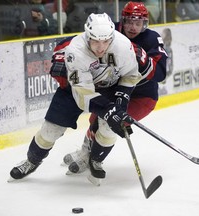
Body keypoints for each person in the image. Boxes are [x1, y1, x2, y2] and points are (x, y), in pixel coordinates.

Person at [9, 13, 142, 183]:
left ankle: (95, 160)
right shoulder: (75, 51)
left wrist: (120, 103)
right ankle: (31, 161)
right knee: (50, 131)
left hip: (109, 88)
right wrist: (108, 110)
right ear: (87, 36)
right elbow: (83, 94)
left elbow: (130, 75)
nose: (101, 47)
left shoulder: (123, 45)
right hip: (74, 91)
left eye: (106, 41)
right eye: (95, 41)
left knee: (109, 128)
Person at [63, 2, 168, 183]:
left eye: (139, 22)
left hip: (142, 95)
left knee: (111, 125)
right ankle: (84, 153)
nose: (133, 27)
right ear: (122, 21)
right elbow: (81, 42)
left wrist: (140, 56)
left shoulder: (151, 38)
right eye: (129, 22)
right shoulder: (109, 32)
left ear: (145, 23)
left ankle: (96, 160)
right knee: (96, 119)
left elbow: (160, 73)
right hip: (112, 89)